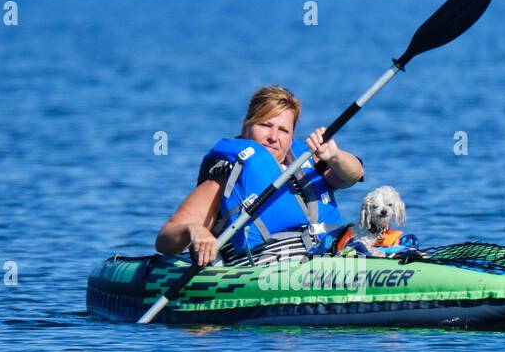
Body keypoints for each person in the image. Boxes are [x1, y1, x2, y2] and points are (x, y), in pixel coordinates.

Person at [155, 86, 364, 265]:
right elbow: (165, 240)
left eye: (283, 130)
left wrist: (334, 156)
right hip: (268, 274)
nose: (273, 137)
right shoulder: (227, 176)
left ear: (291, 137)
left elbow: (353, 175)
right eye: (265, 125)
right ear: (245, 129)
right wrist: (194, 231)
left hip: (329, 257)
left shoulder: (308, 163)